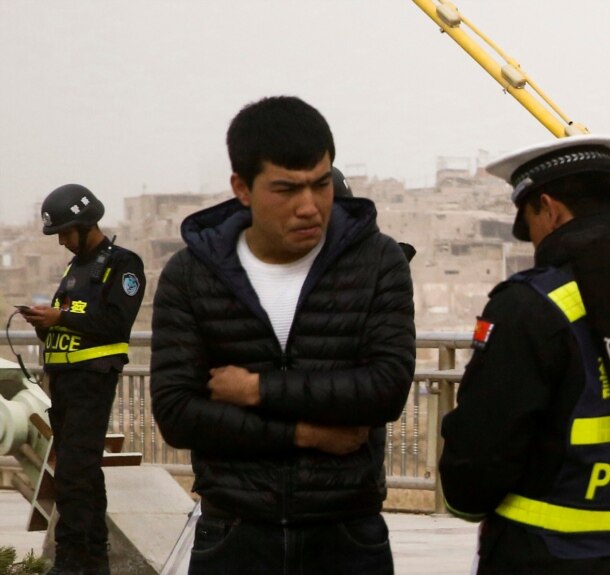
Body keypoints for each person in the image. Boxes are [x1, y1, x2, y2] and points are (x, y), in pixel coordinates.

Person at [149, 96, 415, 575]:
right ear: (242, 188)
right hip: (235, 532)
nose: (309, 207)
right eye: (286, 189)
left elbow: (385, 390)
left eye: (321, 184)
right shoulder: (192, 275)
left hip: (347, 535)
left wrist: (257, 390)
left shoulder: (378, 262)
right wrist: (303, 434)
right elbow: (178, 415)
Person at [439, 135, 610, 574]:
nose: (533, 242)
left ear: (550, 209)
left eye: (529, 224)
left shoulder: (531, 306)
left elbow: (473, 475)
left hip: (544, 558)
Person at [19, 184, 145, 575]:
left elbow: (116, 322)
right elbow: (70, 326)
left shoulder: (123, 264)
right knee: (83, 474)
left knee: (73, 474)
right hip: (64, 383)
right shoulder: (74, 270)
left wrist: (61, 317)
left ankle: (71, 561)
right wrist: (45, 324)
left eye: (64, 233)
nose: (61, 242)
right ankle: (94, 560)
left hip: (93, 381)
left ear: (86, 224)